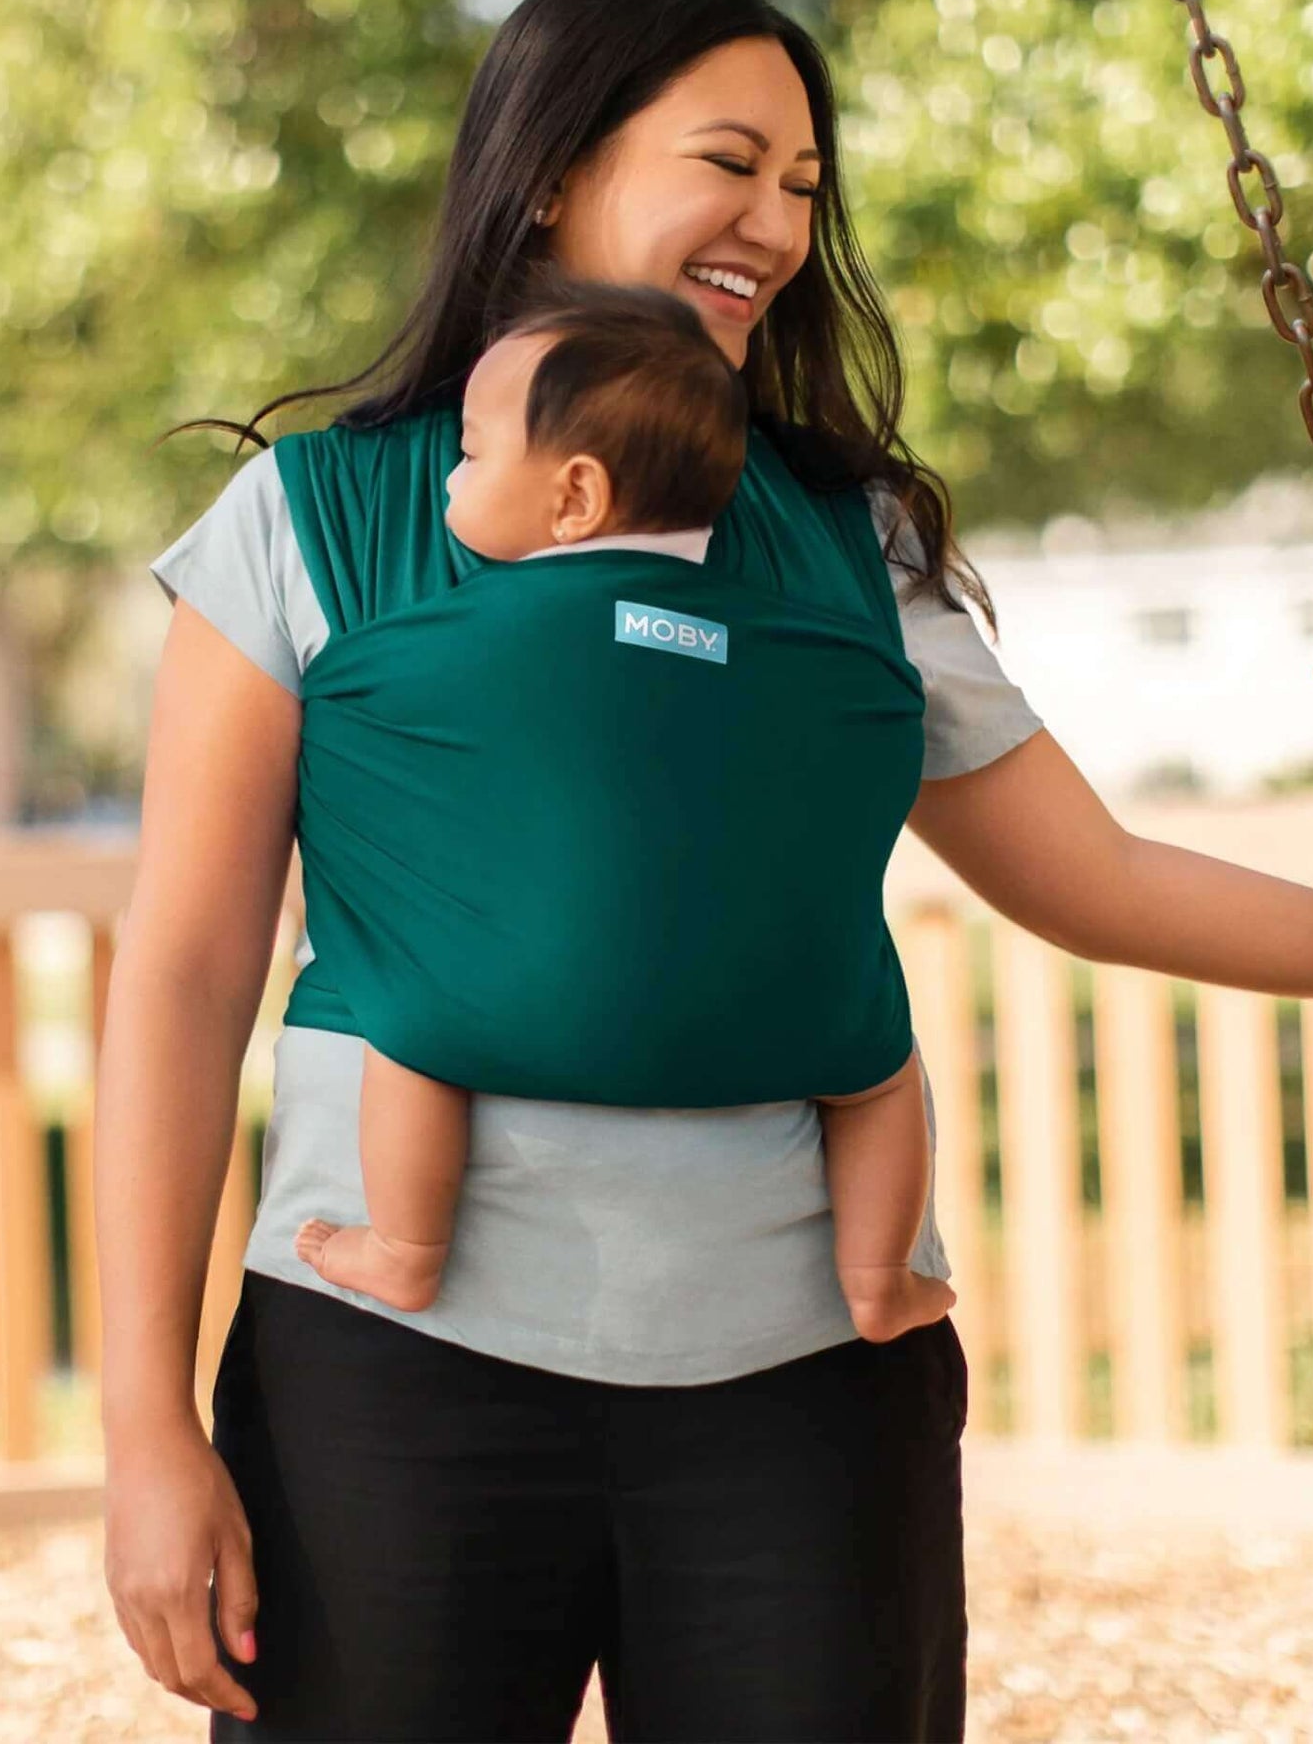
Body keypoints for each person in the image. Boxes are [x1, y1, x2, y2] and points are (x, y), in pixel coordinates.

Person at [101, 0, 1313, 1744]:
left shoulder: (851, 546)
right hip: (389, 1390)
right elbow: (190, 967)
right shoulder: (317, 517)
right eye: (728, 159)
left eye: (803, 182)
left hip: (801, 1393)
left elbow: (1101, 881)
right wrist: (147, 1422)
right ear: (550, 171)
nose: (776, 217)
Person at [292, 281, 954, 1346]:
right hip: (789, 1015)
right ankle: (880, 1277)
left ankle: (404, 1250)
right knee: (880, 1076)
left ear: (574, 496)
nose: (449, 477)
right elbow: (877, 721)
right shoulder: (800, 642)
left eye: (468, 452)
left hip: (500, 1010)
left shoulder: (446, 631)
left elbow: (357, 704)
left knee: (406, 1024)